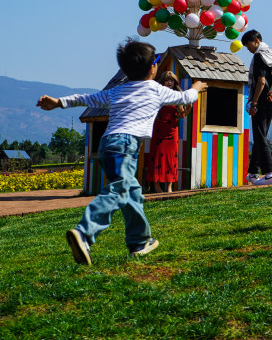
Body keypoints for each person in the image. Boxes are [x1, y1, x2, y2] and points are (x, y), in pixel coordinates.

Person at [36, 39, 207, 265]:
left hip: (107, 145)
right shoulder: (156, 90)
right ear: (153, 68)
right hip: (125, 145)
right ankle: (84, 233)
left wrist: (59, 102)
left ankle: (139, 242)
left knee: (132, 193)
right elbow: (184, 98)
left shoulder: (116, 91)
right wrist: (196, 88)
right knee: (118, 190)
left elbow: (84, 98)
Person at [243, 29, 272, 185]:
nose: (248, 48)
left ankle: (270, 172)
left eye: (248, 44)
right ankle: (252, 173)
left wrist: (255, 102)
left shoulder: (259, 56)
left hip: (261, 102)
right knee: (260, 136)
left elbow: (261, 81)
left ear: (256, 40)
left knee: (260, 136)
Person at [146, 70, 191, 194]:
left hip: (172, 131)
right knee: (157, 157)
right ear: (163, 82)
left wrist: (189, 108)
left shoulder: (178, 95)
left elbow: (182, 115)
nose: (170, 82)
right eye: (167, 80)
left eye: (171, 80)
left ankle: (169, 187)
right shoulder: (158, 94)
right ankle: (156, 186)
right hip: (159, 129)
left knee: (171, 158)